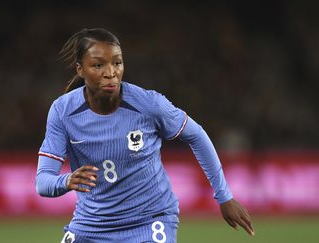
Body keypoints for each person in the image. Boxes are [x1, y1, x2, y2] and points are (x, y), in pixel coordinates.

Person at [35, 28, 254, 243]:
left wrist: (224, 196)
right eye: (98, 65)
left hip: (148, 222)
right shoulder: (63, 111)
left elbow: (196, 135)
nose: (110, 72)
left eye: (117, 63)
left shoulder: (149, 104)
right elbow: (42, 182)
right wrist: (67, 181)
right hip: (91, 225)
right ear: (80, 69)